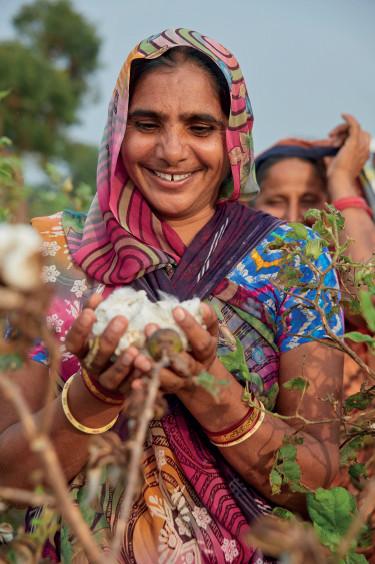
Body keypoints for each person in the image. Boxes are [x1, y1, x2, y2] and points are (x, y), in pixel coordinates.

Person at [0, 29, 344, 563]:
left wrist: (211, 389)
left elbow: (322, 481)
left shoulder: (292, 260)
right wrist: (96, 394)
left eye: (200, 127)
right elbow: (5, 473)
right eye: (147, 123)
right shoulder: (56, 256)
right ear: (118, 129)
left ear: (233, 137)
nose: (172, 150)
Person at [254, 121, 375, 395]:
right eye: (276, 200)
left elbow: (368, 302)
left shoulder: (342, 288)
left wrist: (342, 178)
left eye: (309, 199)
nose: (293, 216)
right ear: (250, 206)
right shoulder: (232, 282)